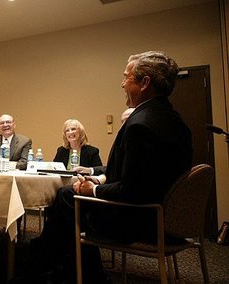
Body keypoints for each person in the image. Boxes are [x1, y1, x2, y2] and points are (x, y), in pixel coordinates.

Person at [34, 51, 192, 283]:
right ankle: (61, 267)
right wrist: (100, 181)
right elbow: (143, 177)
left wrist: (94, 190)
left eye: (126, 77)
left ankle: (58, 266)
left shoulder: (140, 126)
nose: (122, 83)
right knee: (70, 201)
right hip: (165, 217)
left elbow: (132, 191)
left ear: (145, 83)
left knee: (67, 196)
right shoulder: (176, 121)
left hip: (138, 221)